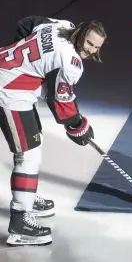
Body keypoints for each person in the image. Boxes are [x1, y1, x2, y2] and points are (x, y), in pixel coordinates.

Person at [0, 16, 106, 246]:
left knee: (33, 143)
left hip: (12, 83)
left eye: (97, 47)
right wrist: (77, 126)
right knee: (28, 155)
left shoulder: (62, 25)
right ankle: (20, 222)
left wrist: (25, 60)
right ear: (80, 33)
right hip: (9, 91)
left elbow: (25, 24)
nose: (91, 50)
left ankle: (25, 197)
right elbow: (60, 103)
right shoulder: (71, 62)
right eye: (89, 43)